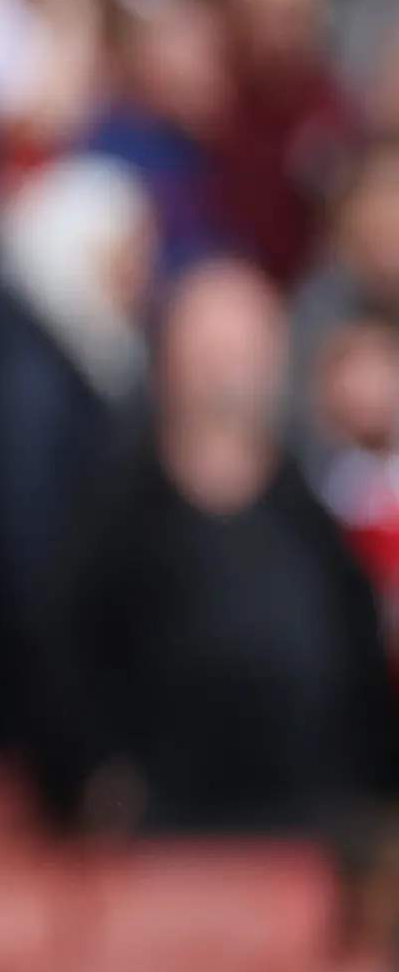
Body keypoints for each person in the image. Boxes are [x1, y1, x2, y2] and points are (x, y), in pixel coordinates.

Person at [40, 261, 399, 836]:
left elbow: (363, 660)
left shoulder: (321, 512)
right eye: (209, 353)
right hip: (161, 834)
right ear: (167, 364)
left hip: (309, 823)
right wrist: (95, 778)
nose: (228, 374)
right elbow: (60, 664)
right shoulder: (113, 515)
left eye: (246, 353)